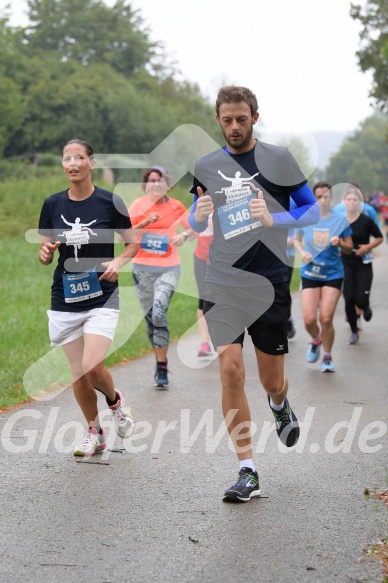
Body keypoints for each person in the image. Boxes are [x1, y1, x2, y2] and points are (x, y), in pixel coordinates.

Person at [188, 85, 320, 502]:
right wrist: (198, 214)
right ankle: (247, 470)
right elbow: (194, 222)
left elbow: (311, 210)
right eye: (226, 119)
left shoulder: (278, 158)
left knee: (272, 380)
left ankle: (279, 403)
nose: (234, 126)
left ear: (255, 118)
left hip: (268, 281)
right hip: (221, 279)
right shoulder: (205, 165)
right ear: (218, 120)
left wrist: (274, 216)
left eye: (241, 119)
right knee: (230, 371)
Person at [38, 139, 138, 457]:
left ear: (91, 163)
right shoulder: (52, 205)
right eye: (67, 158)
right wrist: (44, 252)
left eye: (78, 157)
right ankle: (94, 432)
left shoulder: (110, 202)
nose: (72, 164)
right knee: (78, 373)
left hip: (102, 294)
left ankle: (116, 403)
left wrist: (118, 263)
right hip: (65, 296)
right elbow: (45, 252)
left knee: (92, 366)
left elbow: (132, 244)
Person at [128, 166, 195, 388]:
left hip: (168, 267)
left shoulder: (175, 206)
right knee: (150, 319)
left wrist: (184, 236)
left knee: (159, 311)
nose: (156, 184)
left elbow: (194, 228)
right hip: (142, 269)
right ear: (145, 184)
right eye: (151, 180)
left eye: (160, 180)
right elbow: (123, 235)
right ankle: (161, 361)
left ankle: (162, 367)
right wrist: (144, 223)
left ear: (168, 184)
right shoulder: (137, 206)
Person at [294, 180, 353, 372]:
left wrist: (340, 244)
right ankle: (316, 339)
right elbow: (296, 239)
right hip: (310, 272)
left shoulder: (340, 219)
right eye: (318, 197)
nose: (322, 200)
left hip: (333, 273)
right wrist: (302, 252)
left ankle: (327, 357)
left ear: (331, 197)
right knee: (309, 319)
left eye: (326, 196)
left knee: (326, 318)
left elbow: (350, 247)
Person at [341, 187, 383, 344]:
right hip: (346, 262)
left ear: (360, 202)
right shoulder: (339, 220)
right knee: (349, 298)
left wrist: (367, 247)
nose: (352, 202)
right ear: (344, 201)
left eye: (355, 200)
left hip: (363, 263)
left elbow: (379, 238)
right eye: (349, 199)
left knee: (361, 299)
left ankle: (365, 306)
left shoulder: (366, 220)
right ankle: (353, 332)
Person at [193, 213, 214, 356]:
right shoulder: (199, 204)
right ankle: (205, 342)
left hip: (222, 259)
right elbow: (192, 226)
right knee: (203, 299)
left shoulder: (226, 200)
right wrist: (184, 235)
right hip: (201, 258)